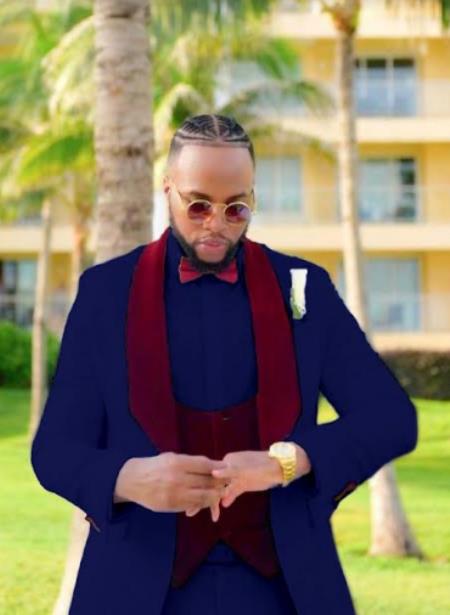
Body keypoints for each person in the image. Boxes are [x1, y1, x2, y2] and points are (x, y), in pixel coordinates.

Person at [30, 114, 418, 615]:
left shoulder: (304, 288)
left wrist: (288, 462)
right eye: (198, 205)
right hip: (137, 587)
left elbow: (391, 418)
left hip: (286, 590)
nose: (216, 224)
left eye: (236, 208)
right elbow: (54, 450)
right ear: (167, 189)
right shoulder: (105, 292)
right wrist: (129, 478)